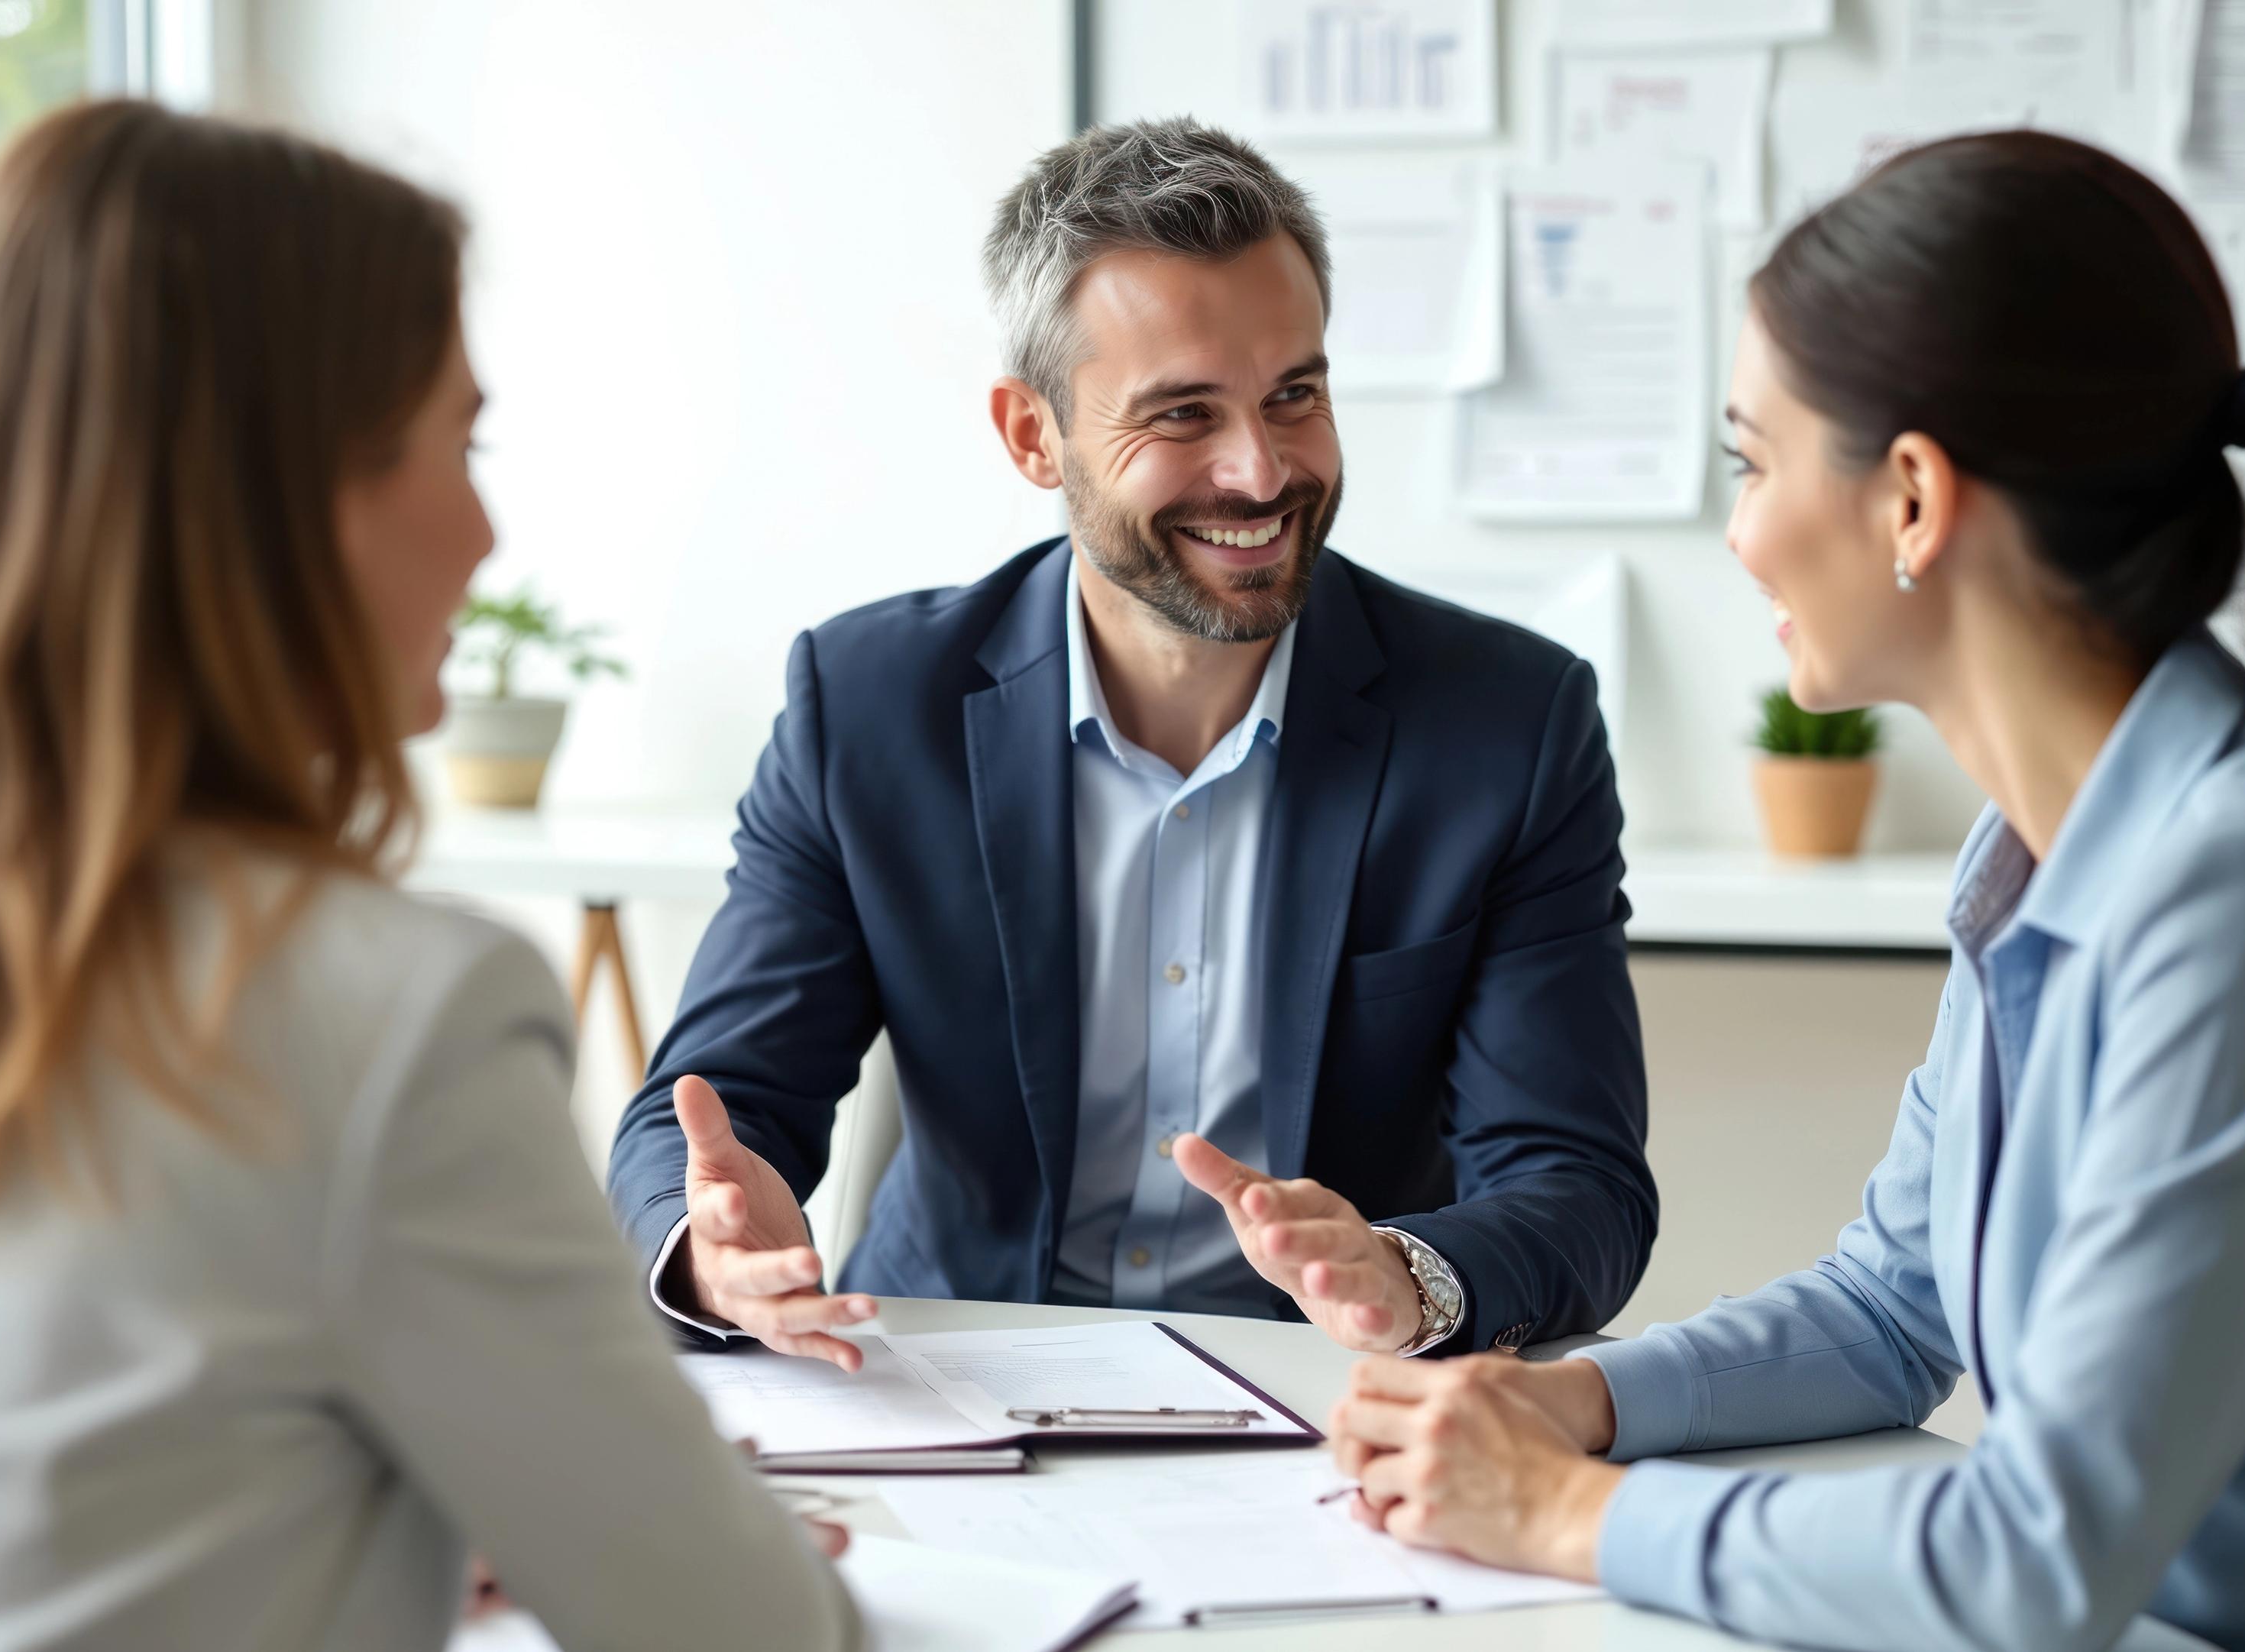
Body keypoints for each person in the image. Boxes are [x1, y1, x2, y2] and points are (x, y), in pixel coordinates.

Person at [1324, 131, 2245, 1651]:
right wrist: (1569, 1396)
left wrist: (1561, 1509)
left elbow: (2037, 1556)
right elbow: (1890, 1305)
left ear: (1912, 497)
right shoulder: (2040, 851)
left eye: (1754, 460)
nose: (1740, 531)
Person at [0, 102, 856, 1652]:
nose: (486, 529)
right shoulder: (388, 1020)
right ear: (283, 500)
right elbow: (753, 1634)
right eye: (458, 440)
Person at [608, 118, 1658, 1368]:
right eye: (1182, 414)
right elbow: (716, 1108)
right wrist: (710, 1241)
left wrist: (1410, 1275)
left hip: (1322, 1399)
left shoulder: (1506, 725)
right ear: (1030, 435)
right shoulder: (868, 706)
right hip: (956, 1369)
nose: (1261, 471)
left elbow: (1575, 1182)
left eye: (1295, 396)